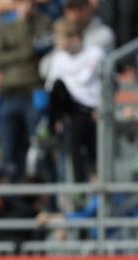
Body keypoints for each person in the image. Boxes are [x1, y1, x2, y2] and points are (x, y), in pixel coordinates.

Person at [0, 0, 51, 177]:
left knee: (38, 148)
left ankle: (45, 196)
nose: (26, 6)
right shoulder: (7, 27)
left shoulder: (43, 22)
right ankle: (12, 197)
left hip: (33, 91)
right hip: (9, 93)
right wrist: (23, 54)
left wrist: (25, 26)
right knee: (9, 149)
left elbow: (40, 47)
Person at [45, 18, 103, 183]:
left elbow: (96, 81)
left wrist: (100, 107)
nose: (58, 43)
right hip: (70, 107)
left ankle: (83, 184)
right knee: (57, 87)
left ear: (75, 38)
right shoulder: (58, 58)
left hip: (90, 108)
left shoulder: (95, 53)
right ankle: (52, 125)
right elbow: (51, 86)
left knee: (81, 144)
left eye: (61, 38)